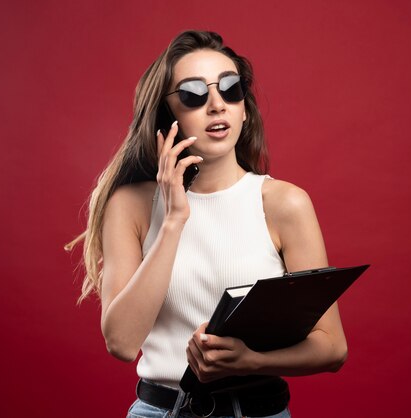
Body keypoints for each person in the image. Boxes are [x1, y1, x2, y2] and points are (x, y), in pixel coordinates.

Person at [67, 30, 348, 418]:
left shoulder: (284, 204)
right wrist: (174, 221)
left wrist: (250, 360)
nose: (217, 105)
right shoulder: (132, 205)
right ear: (169, 116)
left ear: (244, 108)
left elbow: (332, 348)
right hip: (162, 411)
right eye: (193, 95)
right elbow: (121, 341)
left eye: (231, 89)